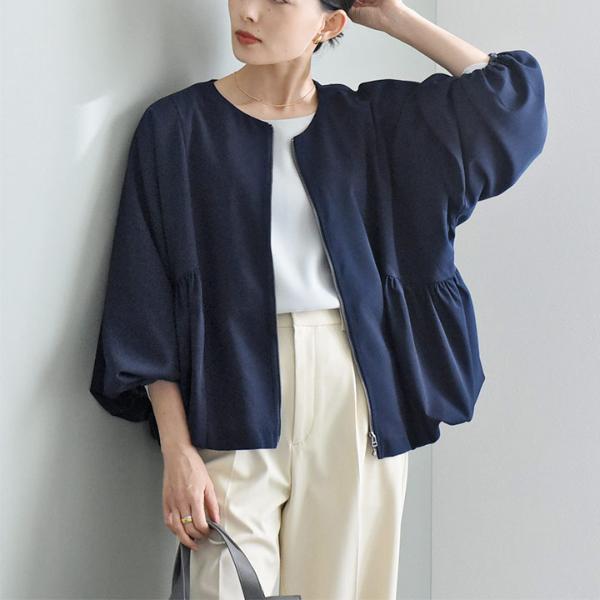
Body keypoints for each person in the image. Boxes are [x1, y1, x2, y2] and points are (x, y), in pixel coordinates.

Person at [89, 0, 548, 597]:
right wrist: (178, 450)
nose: (248, 11)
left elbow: (510, 105)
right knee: (223, 583)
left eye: (280, 0)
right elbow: (143, 299)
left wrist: (393, 17)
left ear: (330, 24)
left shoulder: (370, 124)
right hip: (231, 390)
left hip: (354, 390)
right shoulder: (176, 127)